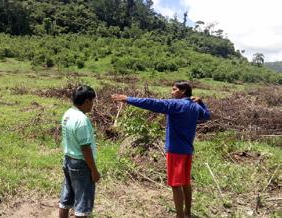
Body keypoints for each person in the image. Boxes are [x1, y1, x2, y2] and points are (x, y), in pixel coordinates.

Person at [111, 81, 210, 218]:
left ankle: (180, 216)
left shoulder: (176, 105)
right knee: (186, 182)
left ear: (183, 91)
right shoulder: (195, 107)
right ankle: (187, 213)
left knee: (176, 185)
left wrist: (128, 99)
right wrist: (201, 102)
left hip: (175, 151)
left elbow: (152, 103)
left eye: (174, 89)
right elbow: (206, 115)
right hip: (187, 150)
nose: (171, 92)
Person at [59, 85, 100, 218]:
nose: (92, 105)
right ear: (87, 101)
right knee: (82, 206)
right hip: (81, 165)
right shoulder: (82, 120)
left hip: (68, 160)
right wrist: (94, 171)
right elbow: (85, 149)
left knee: (66, 199)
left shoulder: (68, 114)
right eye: (92, 101)